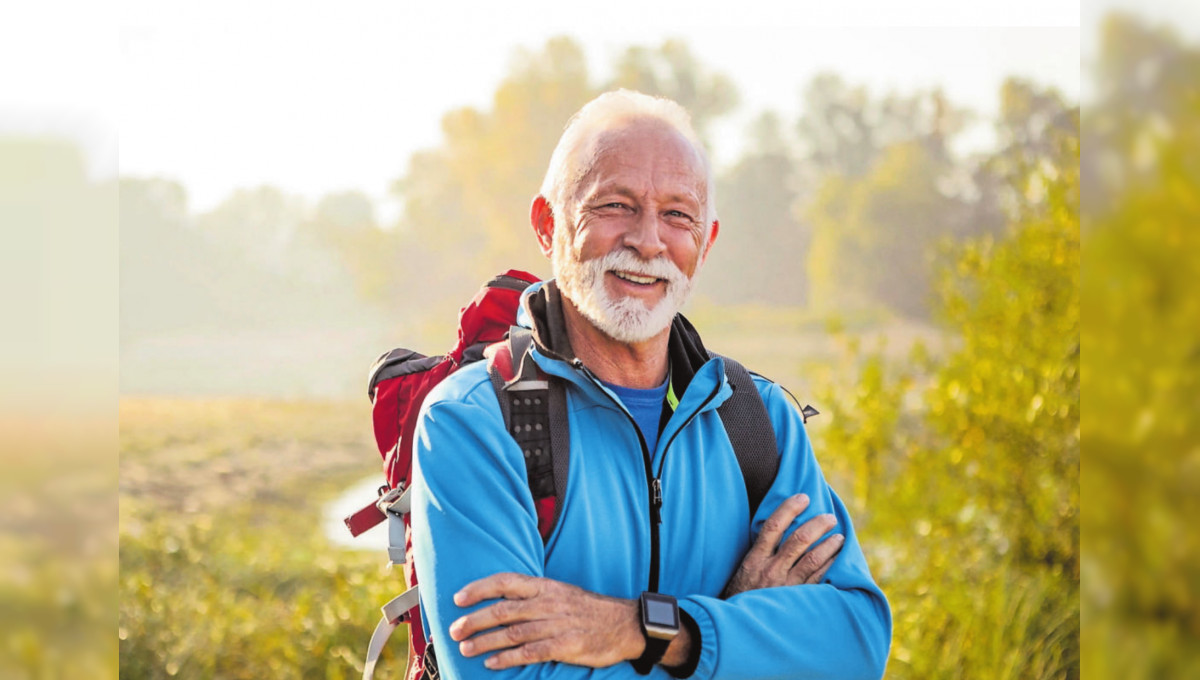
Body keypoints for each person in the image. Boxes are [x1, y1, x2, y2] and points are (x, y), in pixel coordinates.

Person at [410, 90, 891, 679]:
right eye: (615, 205)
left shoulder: (759, 421)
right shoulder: (473, 424)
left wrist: (651, 630)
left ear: (705, 244)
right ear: (547, 224)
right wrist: (739, 632)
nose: (648, 240)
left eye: (677, 214)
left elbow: (856, 646)